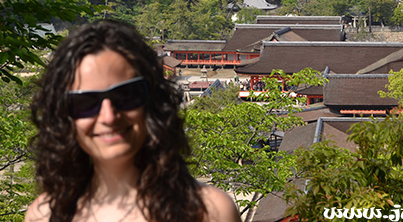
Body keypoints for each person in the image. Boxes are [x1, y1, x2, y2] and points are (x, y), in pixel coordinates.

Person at [25, 20, 241, 222]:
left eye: (126, 95)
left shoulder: (210, 212)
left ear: (153, 99)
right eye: (86, 102)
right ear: (63, 115)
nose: (108, 116)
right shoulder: (44, 215)